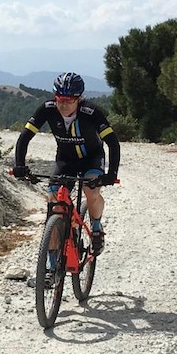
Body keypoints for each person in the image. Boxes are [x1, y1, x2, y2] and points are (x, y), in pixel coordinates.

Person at [13, 71, 120, 255]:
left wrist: (111, 174)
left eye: (69, 100)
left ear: (79, 99)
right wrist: (20, 165)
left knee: (91, 190)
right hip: (65, 160)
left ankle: (96, 227)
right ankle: (51, 266)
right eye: (60, 99)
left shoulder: (91, 112)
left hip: (91, 158)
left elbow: (112, 142)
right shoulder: (47, 109)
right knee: (54, 204)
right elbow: (24, 137)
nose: (63, 104)